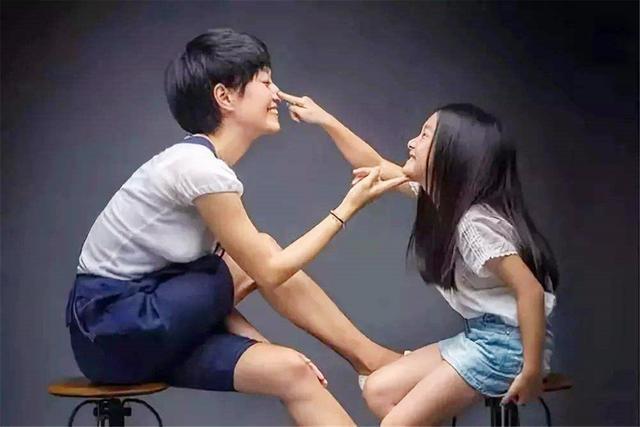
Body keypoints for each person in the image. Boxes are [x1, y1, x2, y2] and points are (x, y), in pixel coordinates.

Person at [65, 29, 407, 426]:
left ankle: (370, 362)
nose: (276, 94)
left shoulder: (202, 168)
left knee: (292, 371)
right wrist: (348, 207)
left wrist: (265, 348)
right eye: (265, 82)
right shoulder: (197, 169)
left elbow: (211, 292)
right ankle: (371, 361)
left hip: (149, 329)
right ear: (224, 96)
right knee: (259, 253)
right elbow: (267, 271)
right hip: (114, 326)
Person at [279, 91, 558, 425]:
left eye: (425, 135)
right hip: (481, 335)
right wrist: (325, 119)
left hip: (508, 346)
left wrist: (531, 371)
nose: (411, 142)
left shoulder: (474, 224)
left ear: (452, 155)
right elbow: (376, 167)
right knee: (379, 389)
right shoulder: (441, 200)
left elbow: (530, 290)